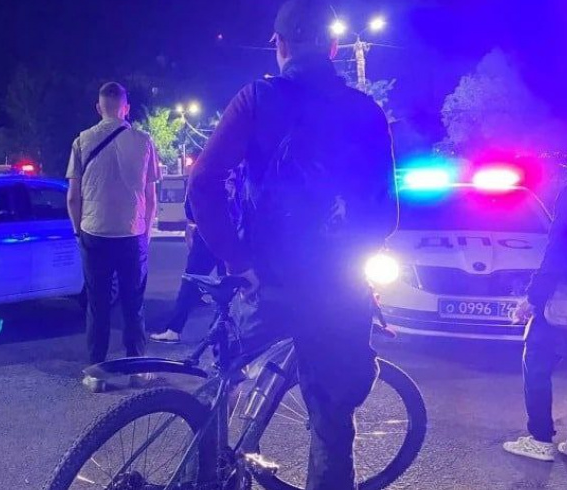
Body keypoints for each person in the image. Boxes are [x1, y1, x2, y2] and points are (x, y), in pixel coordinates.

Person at [188, 1, 397, 488]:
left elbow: (202, 183)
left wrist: (237, 260)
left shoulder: (256, 99)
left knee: (223, 381)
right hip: (336, 291)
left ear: (279, 45)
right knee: (331, 423)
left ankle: (206, 474)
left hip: (266, 280)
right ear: (334, 47)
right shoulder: (366, 112)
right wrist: (352, 263)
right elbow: (384, 215)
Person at [66, 82, 161, 392]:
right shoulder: (144, 142)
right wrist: (146, 232)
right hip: (132, 234)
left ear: (99, 108)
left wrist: (78, 230)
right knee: (134, 304)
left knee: (98, 305)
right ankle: (137, 369)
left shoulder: (82, 141)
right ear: (126, 108)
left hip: (94, 233)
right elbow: (151, 196)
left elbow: (72, 197)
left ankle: (96, 373)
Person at [504, 133, 567, 463]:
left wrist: (534, 298)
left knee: (536, 361)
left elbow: (558, 249)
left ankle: (540, 439)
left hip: (566, 296)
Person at [151, 197, 225, 344]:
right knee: (226, 285)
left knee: (190, 281)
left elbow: (191, 208)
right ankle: (220, 331)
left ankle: (174, 330)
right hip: (229, 236)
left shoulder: (203, 183)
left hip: (205, 235)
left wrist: (190, 228)